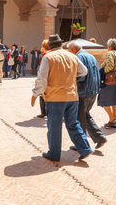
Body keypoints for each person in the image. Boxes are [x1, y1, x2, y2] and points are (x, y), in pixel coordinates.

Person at [31, 34, 92, 162]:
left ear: (50, 46)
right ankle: (85, 148)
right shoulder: (72, 56)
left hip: (55, 97)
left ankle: (54, 153)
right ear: (61, 44)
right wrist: (71, 77)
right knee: (73, 123)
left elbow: (42, 79)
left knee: (54, 125)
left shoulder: (48, 57)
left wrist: (35, 94)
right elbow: (84, 71)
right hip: (72, 95)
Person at [67, 40, 107, 150]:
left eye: (69, 50)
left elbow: (81, 76)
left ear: (73, 49)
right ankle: (99, 137)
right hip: (93, 90)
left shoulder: (78, 57)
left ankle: (81, 144)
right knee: (85, 115)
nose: (69, 53)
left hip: (83, 91)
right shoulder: (91, 56)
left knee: (80, 118)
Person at [98, 38, 116, 129]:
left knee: (103, 100)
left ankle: (112, 120)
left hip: (111, 80)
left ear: (110, 47)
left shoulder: (110, 53)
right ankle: (115, 122)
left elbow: (110, 66)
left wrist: (103, 71)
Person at [36, 40, 50, 119]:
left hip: (45, 80)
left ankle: (44, 112)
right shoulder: (46, 54)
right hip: (46, 79)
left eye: (42, 46)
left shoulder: (46, 55)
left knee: (43, 96)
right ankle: (44, 112)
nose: (41, 48)